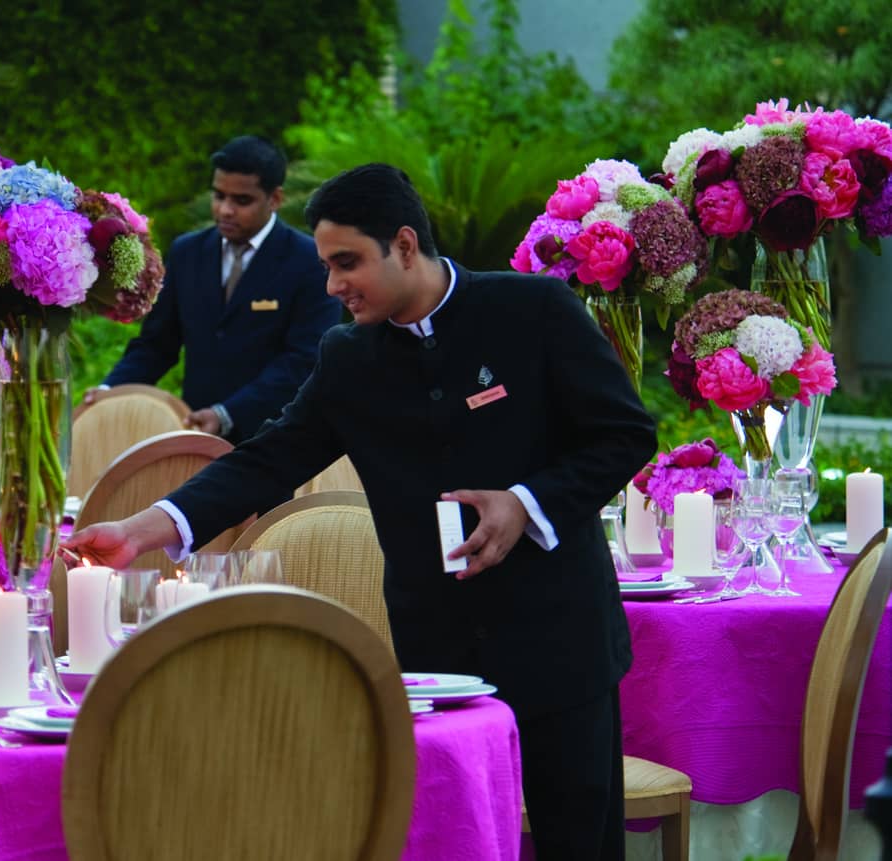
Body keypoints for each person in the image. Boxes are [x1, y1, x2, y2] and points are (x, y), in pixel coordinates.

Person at [65, 163, 656, 860]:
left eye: (347, 263)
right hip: (435, 659)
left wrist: (525, 504)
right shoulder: (347, 355)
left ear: (403, 245)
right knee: (448, 844)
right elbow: (267, 459)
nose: (332, 286)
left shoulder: (534, 311)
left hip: (560, 640)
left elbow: (625, 434)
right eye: (325, 266)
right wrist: (139, 530)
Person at [88, 135, 340, 443]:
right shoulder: (187, 252)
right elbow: (157, 344)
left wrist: (227, 414)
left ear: (275, 199)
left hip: (276, 441)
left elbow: (304, 361)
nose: (225, 210)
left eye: (241, 201)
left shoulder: (309, 260)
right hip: (197, 438)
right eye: (219, 196)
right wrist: (109, 392)